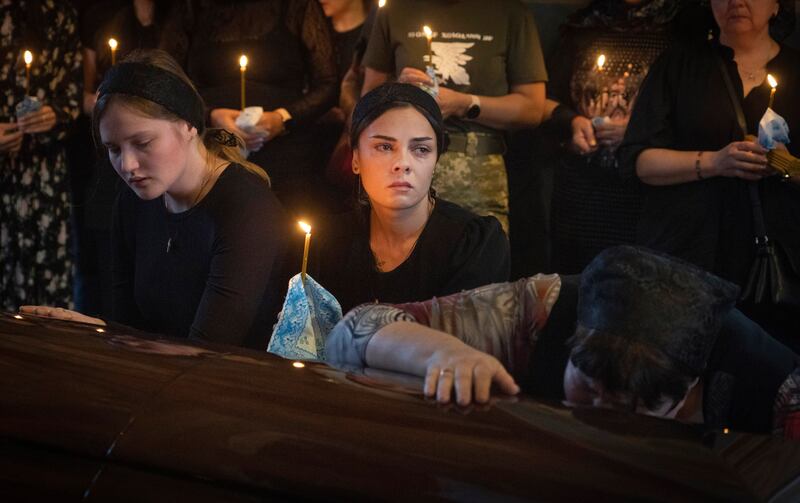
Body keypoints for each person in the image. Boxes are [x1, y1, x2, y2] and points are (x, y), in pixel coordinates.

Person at [326, 246, 800, 434]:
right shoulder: (542, 306)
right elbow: (352, 329)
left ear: (689, 386)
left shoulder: (775, 381)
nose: (601, 418)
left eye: (631, 408)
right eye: (588, 388)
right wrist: (448, 354)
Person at [22, 49, 290, 349]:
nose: (127, 165)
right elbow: (128, 325)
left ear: (188, 124)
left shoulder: (247, 207)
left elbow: (208, 352)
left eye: (143, 142)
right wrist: (95, 330)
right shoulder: (132, 201)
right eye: (114, 149)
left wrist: (108, 335)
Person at [617, 0, 800, 349]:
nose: (736, 1)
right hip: (686, 256)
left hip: (779, 266)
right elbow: (638, 161)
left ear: (777, 5)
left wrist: (786, 166)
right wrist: (716, 162)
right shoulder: (679, 65)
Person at [309, 83, 510, 313]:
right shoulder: (325, 241)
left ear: (436, 161)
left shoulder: (474, 245)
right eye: (384, 146)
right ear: (355, 158)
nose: (402, 163)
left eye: (421, 149)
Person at [542, 0, 707, 274]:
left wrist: (640, 129)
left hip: (655, 198)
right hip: (584, 195)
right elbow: (547, 100)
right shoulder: (581, 28)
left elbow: (700, 113)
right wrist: (572, 122)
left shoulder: (687, 28)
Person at [360, 0, 548, 232]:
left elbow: (531, 109)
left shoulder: (510, 12)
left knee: (479, 258)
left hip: (477, 174)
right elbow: (368, 100)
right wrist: (400, 92)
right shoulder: (396, 9)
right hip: (403, 171)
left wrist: (464, 104)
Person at [160, 0, 339, 218]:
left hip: (286, 158)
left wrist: (282, 118)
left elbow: (328, 83)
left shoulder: (296, 5)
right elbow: (165, 80)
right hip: (212, 151)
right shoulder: (191, 6)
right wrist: (209, 115)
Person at [70, 0, 174, 317]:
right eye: (117, 151)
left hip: (165, 165)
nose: (128, 163)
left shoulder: (183, 13)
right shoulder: (101, 15)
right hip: (107, 170)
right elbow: (84, 94)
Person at [0, 1, 82, 311]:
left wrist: (54, 115)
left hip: (42, 175)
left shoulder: (56, 12)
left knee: (46, 293)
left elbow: (72, 97)